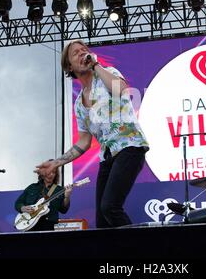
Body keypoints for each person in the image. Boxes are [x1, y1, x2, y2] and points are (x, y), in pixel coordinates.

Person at [35, 39, 149, 228]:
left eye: (84, 50)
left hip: (130, 147)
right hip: (107, 158)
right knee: (103, 222)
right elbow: (84, 142)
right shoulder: (79, 104)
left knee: (110, 207)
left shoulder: (108, 73)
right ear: (69, 67)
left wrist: (96, 64)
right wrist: (56, 163)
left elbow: (121, 89)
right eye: (75, 53)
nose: (82, 53)